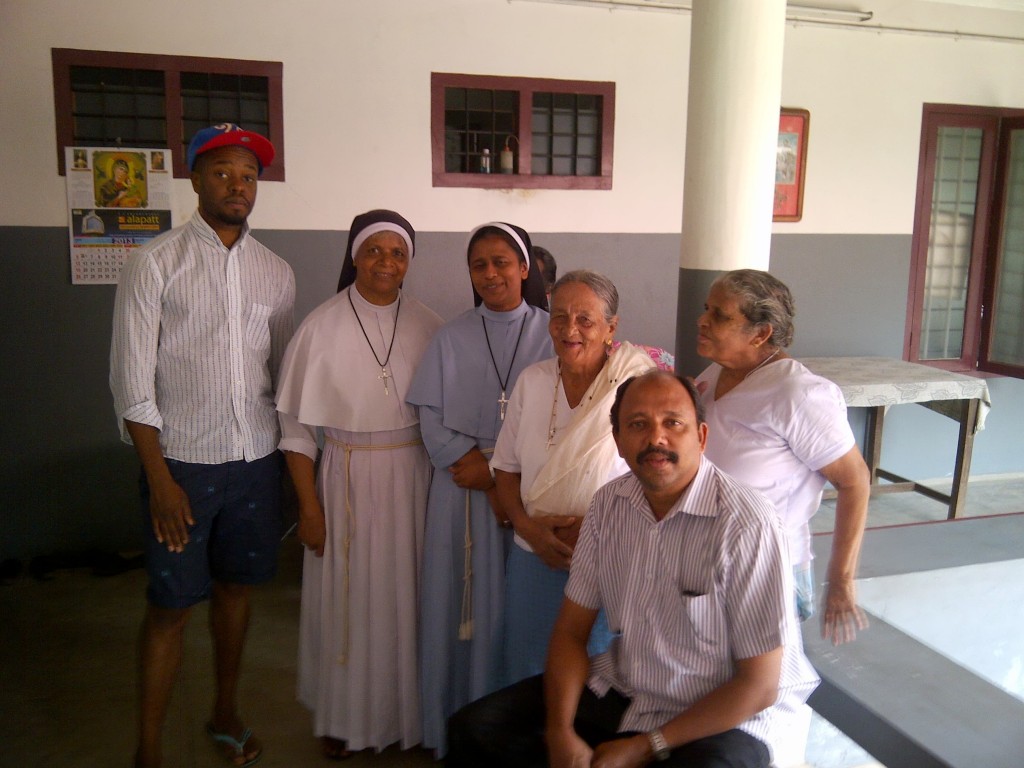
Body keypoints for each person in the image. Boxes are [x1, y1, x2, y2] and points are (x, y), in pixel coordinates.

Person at [447, 371, 820, 768]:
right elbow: (571, 632)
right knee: (476, 729)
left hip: (728, 713)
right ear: (619, 442)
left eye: (673, 423)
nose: (656, 438)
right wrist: (560, 731)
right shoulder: (609, 506)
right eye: (638, 424)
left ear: (702, 437)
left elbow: (759, 685)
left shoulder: (747, 523)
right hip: (632, 688)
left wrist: (646, 746)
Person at [110, 123, 294, 768]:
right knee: (169, 609)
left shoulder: (276, 273)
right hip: (182, 466)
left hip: (254, 463)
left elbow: (276, 376)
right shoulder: (154, 262)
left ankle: (224, 713)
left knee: (237, 592)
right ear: (194, 179)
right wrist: (159, 479)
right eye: (222, 173)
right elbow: (131, 384)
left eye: (248, 175)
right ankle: (149, 749)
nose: (237, 186)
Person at [275, 209, 443, 760]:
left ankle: (407, 716)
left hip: (414, 476)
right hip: (344, 476)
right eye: (375, 251)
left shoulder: (428, 324)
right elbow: (297, 430)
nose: (386, 263)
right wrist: (309, 507)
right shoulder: (320, 327)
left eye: (398, 253)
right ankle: (343, 718)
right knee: (347, 600)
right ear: (354, 256)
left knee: (409, 598)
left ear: (408, 262)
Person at [407, 222, 553, 756]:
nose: (490, 274)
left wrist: (498, 481)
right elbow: (429, 414)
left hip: (528, 493)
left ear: (524, 267)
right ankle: (456, 727)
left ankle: (515, 736)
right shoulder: (451, 335)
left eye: (501, 262)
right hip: (459, 493)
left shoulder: (551, 331)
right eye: (479, 265)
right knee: (460, 610)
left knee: (518, 614)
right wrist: (474, 467)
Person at [490, 269, 655, 685]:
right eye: (559, 317)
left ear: (611, 328)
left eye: (585, 319)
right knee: (528, 673)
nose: (570, 330)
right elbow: (506, 470)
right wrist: (528, 528)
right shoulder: (532, 381)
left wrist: (598, 529)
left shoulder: (635, 387)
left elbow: (657, 479)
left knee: (597, 676)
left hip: (608, 560)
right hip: (533, 557)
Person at [694, 268, 870, 645]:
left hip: (767, 571)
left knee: (755, 692)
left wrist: (840, 580)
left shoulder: (798, 394)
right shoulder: (717, 371)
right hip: (712, 561)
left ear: (760, 334)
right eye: (707, 309)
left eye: (720, 316)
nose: (702, 321)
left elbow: (855, 481)